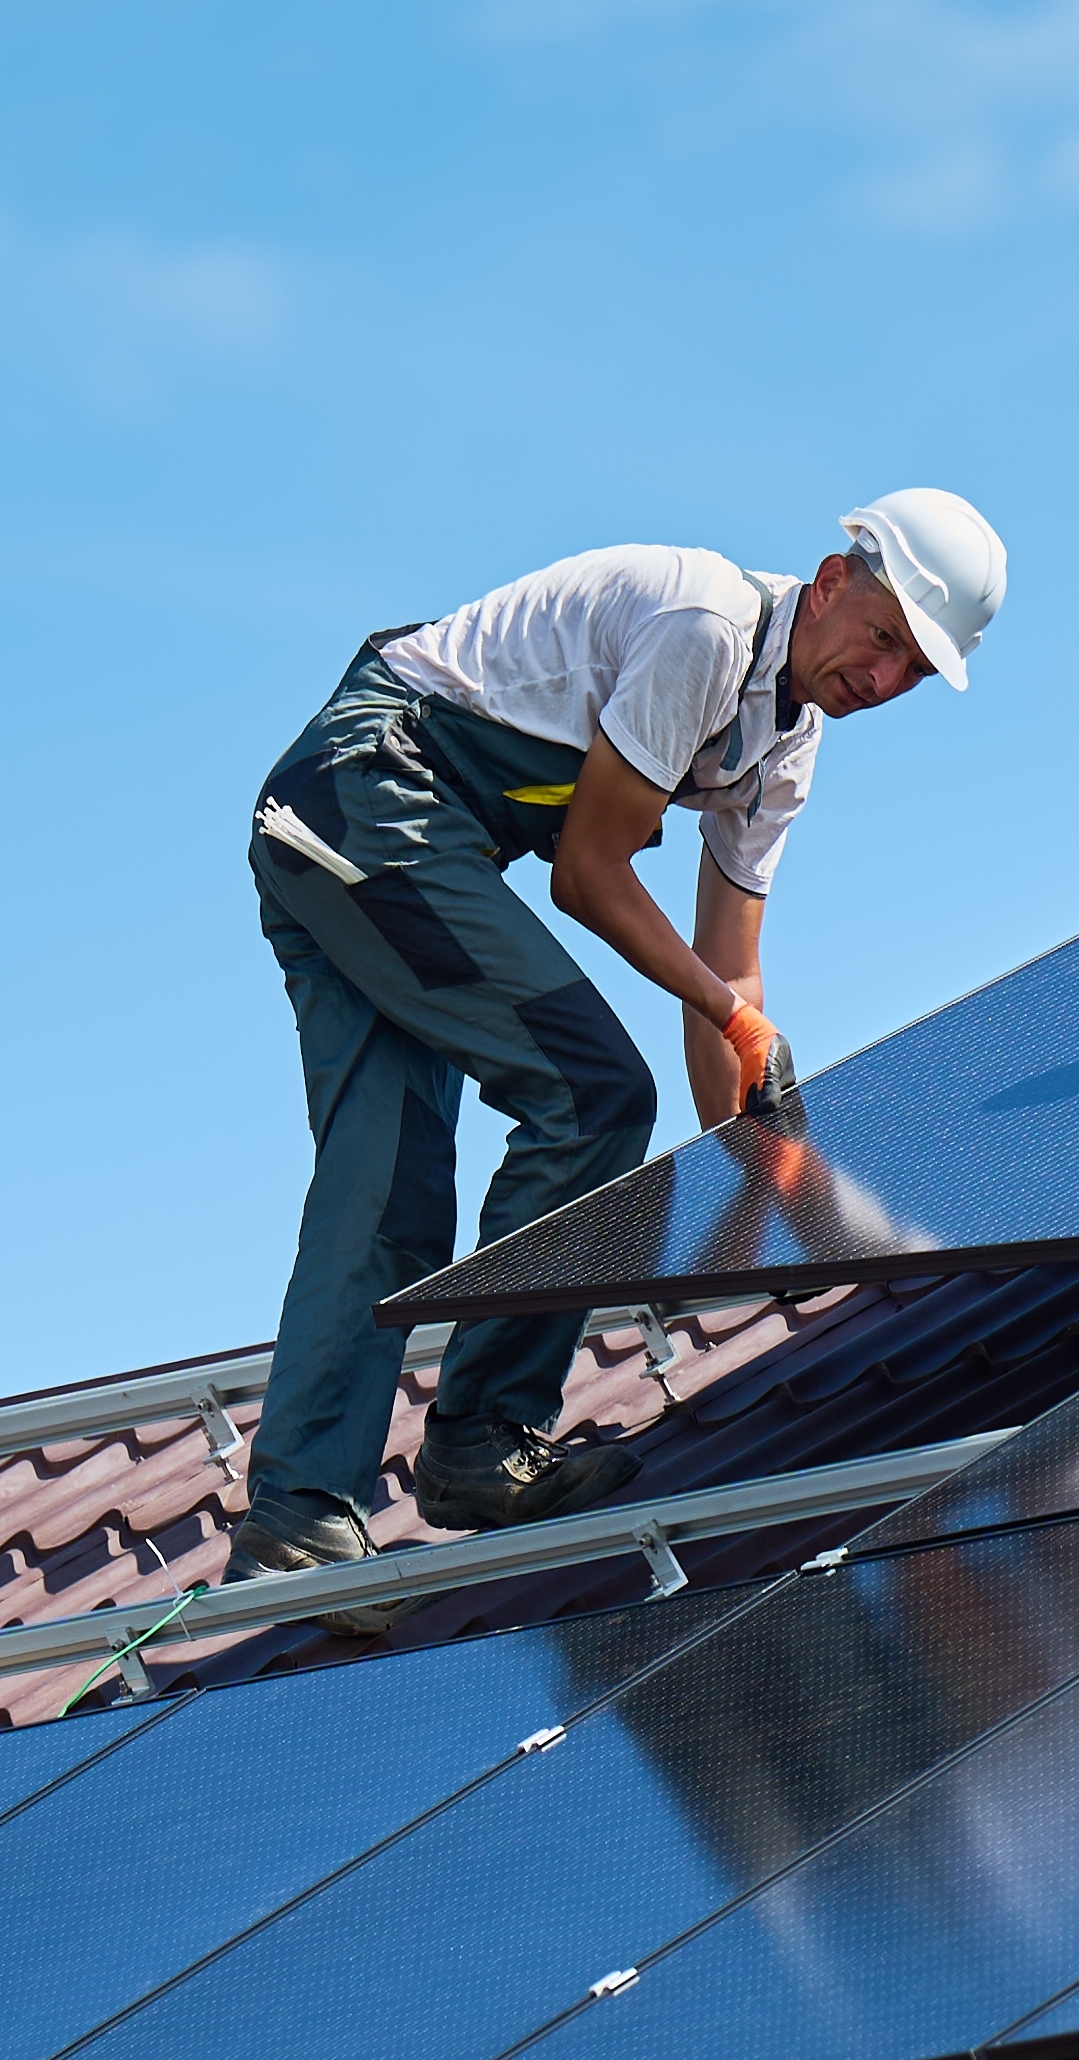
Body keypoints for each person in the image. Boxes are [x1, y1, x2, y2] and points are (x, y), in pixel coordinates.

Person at [230, 493, 1006, 1572]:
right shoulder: (706, 630)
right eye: (883, 639)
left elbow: (727, 969)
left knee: (390, 1179)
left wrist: (757, 1166)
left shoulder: (783, 747)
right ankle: (480, 1438)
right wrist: (738, 1020)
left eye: (914, 671)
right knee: (592, 1092)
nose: (882, 680)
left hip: (377, 838)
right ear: (831, 582)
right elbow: (589, 876)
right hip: (371, 797)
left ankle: (297, 1518)